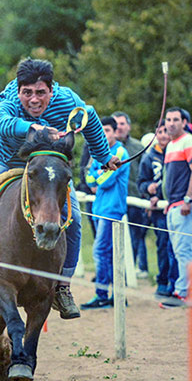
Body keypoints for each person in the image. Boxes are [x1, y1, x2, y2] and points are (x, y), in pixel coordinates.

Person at [0, 58, 118, 320]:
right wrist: (30, 127)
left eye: (41, 93)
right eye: (27, 93)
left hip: (46, 170)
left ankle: (62, 287)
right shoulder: (9, 99)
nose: (34, 99)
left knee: (75, 219)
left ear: (51, 90)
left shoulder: (67, 100)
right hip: (5, 163)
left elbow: (88, 119)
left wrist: (104, 157)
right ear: (19, 90)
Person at [81, 117, 129, 309]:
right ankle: (115, 296)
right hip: (99, 208)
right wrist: (97, 175)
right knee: (107, 252)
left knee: (101, 251)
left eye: (107, 130)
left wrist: (97, 175)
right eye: (101, 130)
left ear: (115, 132)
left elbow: (104, 181)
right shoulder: (98, 152)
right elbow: (88, 178)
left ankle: (103, 295)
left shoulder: (119, 151)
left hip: (112, 209)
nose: (104, 134)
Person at [159, 107, 192, 308]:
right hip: (173, 205)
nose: (171, 123)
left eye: (176, 119)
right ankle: (181, 290)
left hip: (185, 206)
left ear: (184, 122)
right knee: (178, 251)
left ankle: (186, 293)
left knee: (184, 251)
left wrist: (188, 198)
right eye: (168, 119)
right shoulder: (170, 145)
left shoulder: (189, 141)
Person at [138, 121, 177, 297]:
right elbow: (141, 182)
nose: (163, 135)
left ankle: (177, 283)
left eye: (166, 132)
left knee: (176, 246)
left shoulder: (177, 152)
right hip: (159, 210)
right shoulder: (149, 156)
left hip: (176, 205)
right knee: (162, 244)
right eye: (159, 132)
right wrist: (148, 189)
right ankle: (162, 281)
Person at [113, 111, 149, 278]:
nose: (119, 127)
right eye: (116, 124)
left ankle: (129, 273)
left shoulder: (138, 147)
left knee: (134, 237)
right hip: (112, 200)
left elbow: (147, 174)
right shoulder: (102, 146)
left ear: (129, 126)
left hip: (135, 200)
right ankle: (112, 273)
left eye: (122, 123)